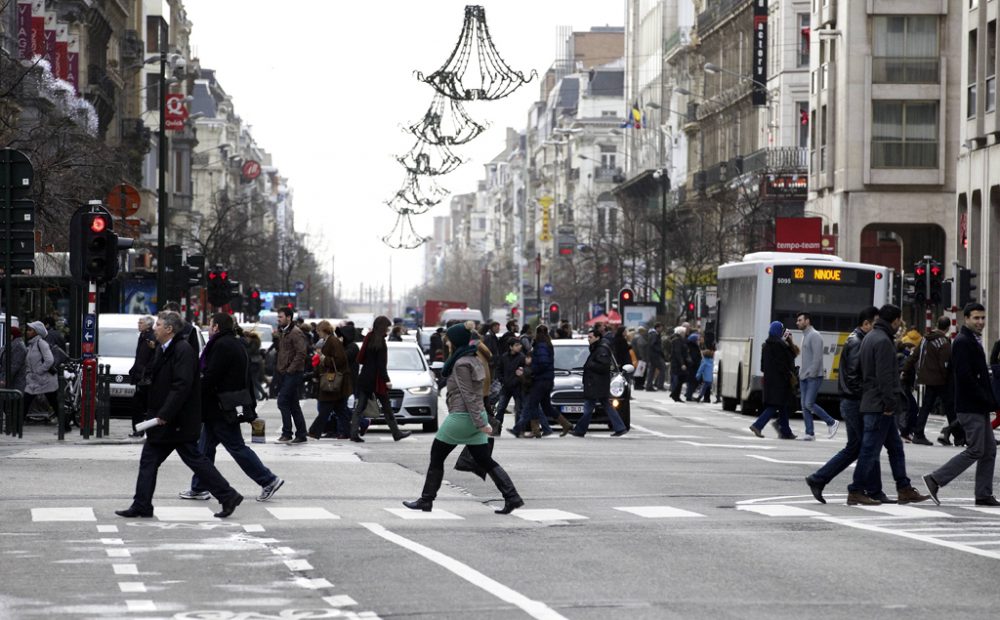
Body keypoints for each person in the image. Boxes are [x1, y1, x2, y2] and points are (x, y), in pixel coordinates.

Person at [115, 311, 243, 519]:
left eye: (158, 324)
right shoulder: (164, 349)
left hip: (176, 420)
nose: (154, 327)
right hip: (166, 419)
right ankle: (142, 504)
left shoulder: (183, 350)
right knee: (154, 460)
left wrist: (165, 413)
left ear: (169, 329)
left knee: (193, 460)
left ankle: (228, 495)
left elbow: (181, 386)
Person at [403, 323, 524, 514]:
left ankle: (426, 500)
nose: (447, 343)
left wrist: (480, 423)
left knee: (437, 457)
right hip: (474, 416)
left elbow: (469, 395)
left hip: (462, 416)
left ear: (457, 341)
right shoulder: (473, 358)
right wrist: (481, 420)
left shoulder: (460, 364)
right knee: (485, 460)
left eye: (450, 339)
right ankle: (512, 497)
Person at [179, 312, 284, 503]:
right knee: (204, 449)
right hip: (222, 406)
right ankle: (199, 487)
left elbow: (212, 376)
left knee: (236, 447)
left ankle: (268, 479)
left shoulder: (221, 345)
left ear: (216, 327)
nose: (209, 329)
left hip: (221, 407)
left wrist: (193, 391)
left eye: (210, 325)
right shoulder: (234, 343)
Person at [846, 304, 929, 506]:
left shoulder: (870, 337)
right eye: (899, 321)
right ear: (895, 320)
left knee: (895, 447)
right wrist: (890, 403)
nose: (900, 325)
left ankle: (904, 487)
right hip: (880, 405)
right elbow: (884, 376)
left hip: (874, 401)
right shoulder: (883, 341)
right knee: (870, 450)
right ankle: (856, 490)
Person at [924, 303, 999, 506]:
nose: (981, 322)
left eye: (983, 318)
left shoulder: (972, 340)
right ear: (966, 318)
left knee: (990, 450)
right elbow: (965, 377)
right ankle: (935, 479)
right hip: (970, 406)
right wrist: (987, 399)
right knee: (976, 449)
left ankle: (983, 494)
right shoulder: (963, 341)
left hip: (978, 406)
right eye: (976, 318)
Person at [806, 307, 878, 503]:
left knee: (856, 447)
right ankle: (861, 490)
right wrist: (867, 395)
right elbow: (854, 377)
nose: (878, 330)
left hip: (851, 401)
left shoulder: (857, 339)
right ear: (866, 324)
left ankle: (819, 479)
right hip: (855, 402)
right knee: (866, 446)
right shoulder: (857, 343)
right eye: (875, 325)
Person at [350, 315, 411, 442]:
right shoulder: (381, 342)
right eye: (387, 327)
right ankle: (396, 433)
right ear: (383, 327)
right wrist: (387, 380)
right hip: (377, 380)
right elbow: (381, 365)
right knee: (387, 407)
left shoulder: (368, 337)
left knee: (360, 407)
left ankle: (354, 433)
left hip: (365, 377)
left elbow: (360, 358)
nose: (388, 330)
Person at [509, 325, 568, 437]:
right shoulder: (546, 344)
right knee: (546, 407)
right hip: (546, 379)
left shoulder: (541, 346)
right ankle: (565, 424)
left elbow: (543, 363)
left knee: (532, 404)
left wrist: (532, 371)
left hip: (541, 380)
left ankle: (526, 430)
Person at [570, 328, 628, 437]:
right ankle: (620, 428)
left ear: (597, 337)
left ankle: (580, 430)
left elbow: (604, 366)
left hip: (596, 384)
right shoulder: (597, 347)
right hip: (596, 384)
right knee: (606, 406)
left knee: (588, 409)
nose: (588, 339)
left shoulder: (601, 349)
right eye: (588, 337)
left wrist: (589, 366)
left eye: (590, 337)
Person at [906, 316, 953, 446]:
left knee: (926, 407)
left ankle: (918, 433)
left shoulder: (925, 339)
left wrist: (904, 370)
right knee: (950, 406)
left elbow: (914, 356)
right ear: (948, 328)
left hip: (927, 378)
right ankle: (957, 435)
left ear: (937, 324)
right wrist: (947, 378)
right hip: (940, 380)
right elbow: (945, 363)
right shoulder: (943, 342)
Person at [749, 322, 798, 439]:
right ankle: (757, 425)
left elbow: (762, 367)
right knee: (774, 405)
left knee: (782, 406)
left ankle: (786, 432)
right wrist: (789, 341)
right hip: (781, 382)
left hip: (769, 381)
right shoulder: (781, 345)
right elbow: (789, 360)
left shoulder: (765, 345)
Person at [796, 312, 840, 440]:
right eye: (797, 320)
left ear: (807, 321)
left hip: (813, 377)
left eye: (800, 320)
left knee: (808, 404)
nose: (797, 322)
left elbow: (817, 357)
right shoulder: (806, 335)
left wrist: (811, 374)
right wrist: (802, 374)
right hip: (805, 376)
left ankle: (831, 422)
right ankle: (810, 433)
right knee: (804, 405)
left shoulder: (815, 336)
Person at [308, 320, 355, 440]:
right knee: (340, 410)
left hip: (332, 381)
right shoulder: (329, 341)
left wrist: (323, 357)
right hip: (334, 382)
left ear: (324, 330)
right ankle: (349, 432)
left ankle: (314, 431)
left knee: (325, 408)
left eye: (318, 331)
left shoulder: (332, 341)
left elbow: (340, 360)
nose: (318, 334)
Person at [274, 307, 309, 443]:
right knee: (293, 404)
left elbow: (301, 353)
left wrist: (290, 369)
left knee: (282, 401)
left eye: (281, 317)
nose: (278, 319)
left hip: (293, 373)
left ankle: (287, 432)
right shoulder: (284, 332)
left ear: (289, 317)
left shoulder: (295, 332)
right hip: (284, 372)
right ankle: (301, 434)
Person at [22, 321, 60, 422]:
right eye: (28, 330)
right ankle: (16, 425)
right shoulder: (31, 345)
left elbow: (49, 360)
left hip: (45, 380)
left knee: (54, 404)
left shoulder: (41, 344)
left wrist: (39, 371)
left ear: (37, 332)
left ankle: (65, 425)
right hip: (35, 381)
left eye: (30, 330)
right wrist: (29, 372)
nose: (27, 332)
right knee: (25, 402)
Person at [127, 316, 157, 438]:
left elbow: (151, 358)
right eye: (139, 322)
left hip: (145, 378)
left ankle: (141, 430)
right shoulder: (143, 336)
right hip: (140, 376)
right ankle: (139, 430)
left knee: (141, 405)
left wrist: (145, 372)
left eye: (141, 323)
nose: (138, 324)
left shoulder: (151, 338)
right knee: (139, 405)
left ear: (148, 325)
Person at [494, 338, 526, 431]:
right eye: (516, 345)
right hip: (506, 387)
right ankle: (497, 429)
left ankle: (518, 430)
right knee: (500, 408)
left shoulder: (522, 357)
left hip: (518, 387)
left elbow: (524, 371)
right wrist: (502, 380)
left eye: (519, 345)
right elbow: (498, 370)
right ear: (511, 347)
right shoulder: (504, 357)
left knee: (519, 409)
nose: (519, 346)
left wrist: (517, 380)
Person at [0, 326, 27, 392]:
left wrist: (4, 380)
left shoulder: (18, 346)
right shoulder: (9, 344)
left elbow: (14, 366)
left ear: (12, 335)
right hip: (8, 381)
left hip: (15, 383)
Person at [668, 326, 690, 402]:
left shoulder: (680, 340)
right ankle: (675, 395)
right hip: (677, 363)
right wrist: (682, 364)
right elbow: (678, 353)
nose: (685, 334)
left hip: (679, 362)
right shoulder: (677, 340)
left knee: (681, 379)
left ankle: (674, 394)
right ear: (680, 333)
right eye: (683, 332)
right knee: (681, 379)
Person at [644, 323, 667, 391]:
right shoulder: (654, 335)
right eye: (661, 327)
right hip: (655, 355)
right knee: (663, 368)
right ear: (657, 328)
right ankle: (659, 385)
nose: (661, 329)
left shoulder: (652, 334)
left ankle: (649, 385)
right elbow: (653, 345)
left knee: (652, 370)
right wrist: (659, 350)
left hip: (652, 356)